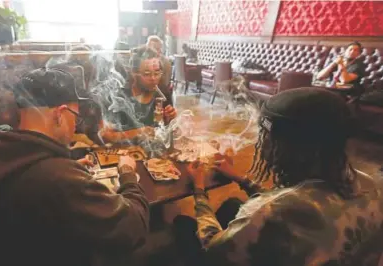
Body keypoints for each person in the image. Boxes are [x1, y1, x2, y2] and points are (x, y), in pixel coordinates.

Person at [177, 88, 383, 266]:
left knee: (183, 225)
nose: (262, 145)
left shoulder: (270, 212)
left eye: (267, 140)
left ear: (293, 150)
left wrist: (199, 188)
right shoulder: (373, 185)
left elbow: (213, 246)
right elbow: (306, 203)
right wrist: (243, 180)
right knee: (231, 204)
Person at [0, 68, 150, 266]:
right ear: (60, 114)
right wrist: (128, 173)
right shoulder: (58, 178)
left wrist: (66, 168)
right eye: (75, 117)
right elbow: (133, 227)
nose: (74, 125)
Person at [101, 46, 177, 143]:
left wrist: (170, 121)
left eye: (157, 73)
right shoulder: (119, 98)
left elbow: (168, 134)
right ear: (134, 73)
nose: (153, 78)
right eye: (147, 74)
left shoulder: (162, 96)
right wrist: (139, 132)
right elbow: (106, 136)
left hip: (154, 154)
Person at [146, 35, 173, 102]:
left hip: (161, 99)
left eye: (157, 48)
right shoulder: (147, 61)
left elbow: (163, 84)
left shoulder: (164, 62)